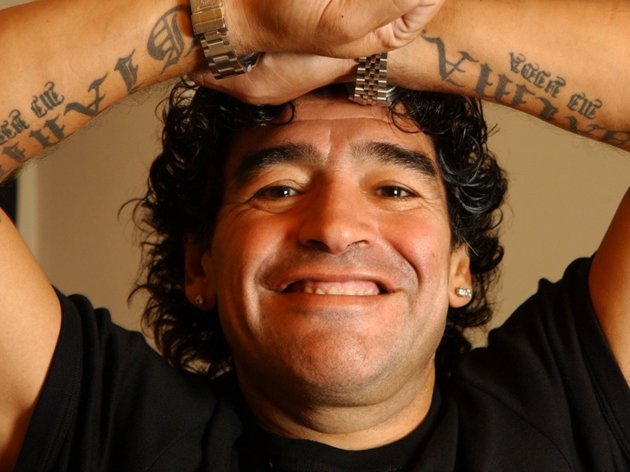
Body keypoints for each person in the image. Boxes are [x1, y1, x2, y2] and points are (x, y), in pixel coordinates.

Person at [0, 0, 628, 470]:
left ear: (458, 269)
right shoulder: (106, 427)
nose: (335, 229)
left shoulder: (567, 412)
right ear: (200, 266)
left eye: (394, 190)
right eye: (278, 190)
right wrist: (236, 17)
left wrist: (379, 28)